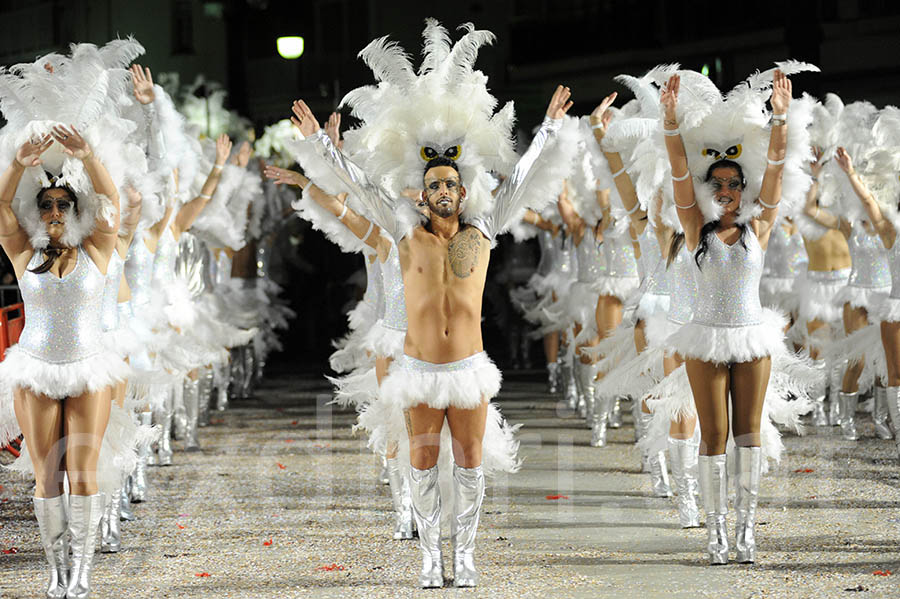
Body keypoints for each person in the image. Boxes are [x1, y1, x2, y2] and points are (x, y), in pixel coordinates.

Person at [289, 82, 571, 587]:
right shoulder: (404, 234)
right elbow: (357, 186)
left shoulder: (482, 231)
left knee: (468, 463)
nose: (442, 191)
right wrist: (320, 145)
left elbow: (521, 183)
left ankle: (463, 556)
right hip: (418, 369)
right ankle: (429, 557)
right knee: (420, 461)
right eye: (434, 185)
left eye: (450, 184)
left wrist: (548, 127)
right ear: (423, 195)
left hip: (467, 369)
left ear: (463, 193)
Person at [661, 70, 793, 565]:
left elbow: (776, 167)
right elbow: (678, 171)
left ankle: (746, 531)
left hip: (751, 337)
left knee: (748, 433)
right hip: (706, 339)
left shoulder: (761, 224)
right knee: (713, 435)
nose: (725, 191)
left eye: (733, 184)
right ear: (707, 189)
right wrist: (671, 124)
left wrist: (780, 119)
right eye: (716, 184)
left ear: (743, 188)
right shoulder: (695, 228)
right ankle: (715, 534)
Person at [0, 127, 125, 598]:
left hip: (89, 367)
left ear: (76, 209)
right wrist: (16, 164)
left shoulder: (97, 249)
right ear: (35, 212)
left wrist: (89, 156)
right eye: (46, 204)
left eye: (63, 204)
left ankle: (83, 572)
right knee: (46, 472)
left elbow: (111, 198)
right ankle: (55, 570)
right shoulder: (22, 254)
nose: (54, 211)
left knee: (83, 471)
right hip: (34, 369)